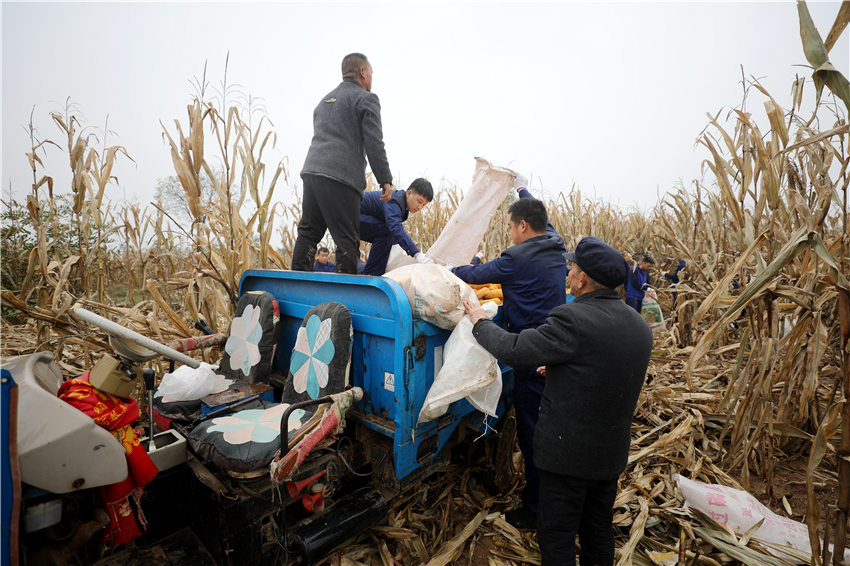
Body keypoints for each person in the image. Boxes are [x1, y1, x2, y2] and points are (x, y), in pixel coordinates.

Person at [463, 236, 653, 566]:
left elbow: (514, 349)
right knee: (597, 529)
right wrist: (563, 369)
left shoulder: (571, 319)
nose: (567, 274)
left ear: (583, 279)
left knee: (557, 534)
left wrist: (479, 320)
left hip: (568, 458)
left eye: (572, 268)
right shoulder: (639, 326)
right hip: (609, 456)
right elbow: (606, 369)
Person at [451, 187, 566, 529]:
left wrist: (444, 266)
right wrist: (522, 189)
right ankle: (554, 497)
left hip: (530, 353)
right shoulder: (556, 245)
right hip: (554, 351)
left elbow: (473, 276)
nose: (511, 233)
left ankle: (535, 511)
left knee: (533, 437)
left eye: (512, 227)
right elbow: (550, 223)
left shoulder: (517, 258)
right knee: (546, 429)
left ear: (525, 227)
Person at [291, 53, 394, 274]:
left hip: (312, 172)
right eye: (371, 72)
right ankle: (345, 297)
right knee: (347, 238)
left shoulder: (323, 102)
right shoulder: (366, 98)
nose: (372, 78)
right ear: (363, 72)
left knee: (308, 233)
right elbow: (374, 142)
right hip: (342, 177)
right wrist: (385, 179)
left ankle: (297, 283)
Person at [360, 178, 433, 275]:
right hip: (349, 216)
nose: (420, 207)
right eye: (419, 201)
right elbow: (395, 228)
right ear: (409, 193)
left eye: (423, 205)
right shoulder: (395, 201)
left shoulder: (403, 209)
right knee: (387, 232)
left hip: (359, 218)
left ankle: (374, 273)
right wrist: (416, 254)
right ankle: (371, 274)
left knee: (390, 238)